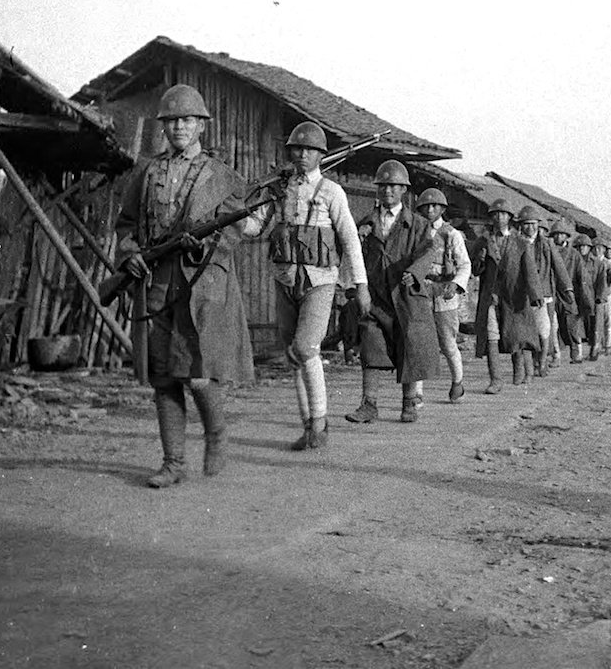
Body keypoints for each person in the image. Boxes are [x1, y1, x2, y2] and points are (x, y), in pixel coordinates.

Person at [115, 84, 255, 487]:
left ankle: (217, 434)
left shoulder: (223, 175)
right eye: (172, 121)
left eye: (187, 120)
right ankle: (173, 463)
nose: (179, 127)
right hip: (156, 281)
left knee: (196, 373)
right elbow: (126, 224)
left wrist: (204, 246)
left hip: (202, 285)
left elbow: (233, 231)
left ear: (201, 127)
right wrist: (131, 254)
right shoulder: (145, 171)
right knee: (163, 377)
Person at [242, 121, 370, 449]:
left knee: (305, 348)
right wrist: (231, 215)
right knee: (292, 353)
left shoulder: (331, 191)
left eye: (309, 150)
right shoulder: (279, 189)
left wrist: (361, 284)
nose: (302, 155)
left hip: (320, 282)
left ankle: (321, 422)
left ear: (321, 155)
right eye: (296, 149)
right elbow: (255, 227)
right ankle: (308, 426)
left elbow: (350, 239)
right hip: (285, 279)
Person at [346, 160, 440, 424]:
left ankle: (409, 402)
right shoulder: (366, 222)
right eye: (384, 186)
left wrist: (416, 271)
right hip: (376, 295)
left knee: (409, 346)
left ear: (403, 190)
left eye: (394, 186)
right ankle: (369, 405)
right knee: (371, 345)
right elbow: (355, 254)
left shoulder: (419, 224)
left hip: (407, 295)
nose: (388, 191)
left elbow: (429, 250)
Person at [473, 199, 543, 391]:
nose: (498, 217)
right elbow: (475, 270)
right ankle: (496, 380)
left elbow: (530, 271)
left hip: (515, 295)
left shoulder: (521, 243)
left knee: (516, 335)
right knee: (491, 336)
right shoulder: (483, 241)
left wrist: (535, 295)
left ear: (510, 218)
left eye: (503, 214)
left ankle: (522, 371)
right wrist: (479, 259)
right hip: (491, 296)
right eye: (495, 214)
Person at [415, 188, 472, 402]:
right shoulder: (416, 232)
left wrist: (456, 284)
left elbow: (465, 264)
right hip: (420, 291)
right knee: (419, 342)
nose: (430, 209)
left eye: (435, 206)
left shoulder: (451, 234)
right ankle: (417, 393)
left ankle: (457, 382)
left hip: (444, 294)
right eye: (426, 206)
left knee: (447, 343)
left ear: (442, 208)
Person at [517, 206, 571, 378]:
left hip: (545, 293)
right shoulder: (516, 243)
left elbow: (559, 266)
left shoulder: (546, 244)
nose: (530, 228)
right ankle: (531, 363)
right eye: (526, 224)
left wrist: (567, 287)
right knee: (526, 330)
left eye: (533, 224)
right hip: (523, 294)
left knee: (544, 330)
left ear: (538, 225)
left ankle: (542, 360)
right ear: (520, 225)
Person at [572, 234, 611, 361]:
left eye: (585, 246)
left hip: (594, 298)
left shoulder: (599, 264)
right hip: (577, 298)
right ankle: (577, 353)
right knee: (576, 325)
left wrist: (600, 297)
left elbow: (602, 282)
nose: (582, 249)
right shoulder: (572, 262)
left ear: (590, 248)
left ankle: (595, 349)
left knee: (596, 326)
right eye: (579, 247)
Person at [549, 220, 585, 363]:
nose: (558, 237)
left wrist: (580, 294)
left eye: (561, 234)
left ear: (566, 236)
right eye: (556, 234)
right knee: (553, 325)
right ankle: (556, 356)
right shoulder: (549, 250)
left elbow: (581, 275)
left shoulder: (574, 254)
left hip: (569, 293)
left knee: (571, 324)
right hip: (552, 291)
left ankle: (577, 352)